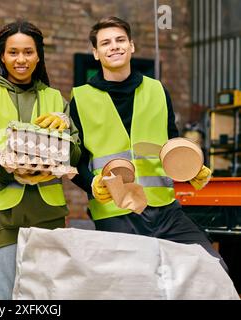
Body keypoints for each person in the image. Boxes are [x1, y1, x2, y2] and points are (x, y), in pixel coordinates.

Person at [70, 16, 228, 272]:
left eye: (120, 40)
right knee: (137, 283)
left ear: (131, 46)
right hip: (115, 211)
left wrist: (191, 169)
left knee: (212, 268)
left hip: (165, 210)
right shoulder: (81, 99)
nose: (115, 46)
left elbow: (171, 145)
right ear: (96, 53)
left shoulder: (157, 90)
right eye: (106, 43)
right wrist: (91, 184)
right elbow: (73, 160)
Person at [0, 20, 81, 300]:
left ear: (38, 55)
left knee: (45, 298)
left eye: (28, 52)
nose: (21, 59)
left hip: (48, 215)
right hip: (3, 216)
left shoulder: (54, 97)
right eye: (13, 52)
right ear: (2, 56)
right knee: (1, 297)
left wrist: (65, 128)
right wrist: (4, 169)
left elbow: (76, 152)